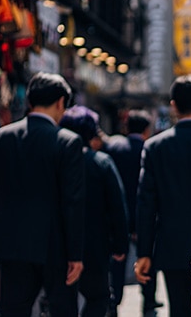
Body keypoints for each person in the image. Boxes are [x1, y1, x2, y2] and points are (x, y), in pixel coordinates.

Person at [0, 72, 85, 316]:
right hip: (55, 247)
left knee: (13, 310)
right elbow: (72, 202)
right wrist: (75, 254)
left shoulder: (0, 138)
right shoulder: (67, 142)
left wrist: (0, 233)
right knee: (62, 310)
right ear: (61, 102)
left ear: (30, 101)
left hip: (12, 243)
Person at [135, 75, 191, 317]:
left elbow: (146, 204)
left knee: (178, 309)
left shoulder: (155, 146)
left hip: (172, 245)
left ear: (173, 106)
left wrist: (143, 252)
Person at [59, 106, 129, 317]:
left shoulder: (56, 161)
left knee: (62, 298)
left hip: (58, 243)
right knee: (98, 298)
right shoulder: (101, 162)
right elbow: (117, 206)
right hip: (95, 245)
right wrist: (120, 244)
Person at [106, 109, 159, 316]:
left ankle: (114, 300)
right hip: (144, 212)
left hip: (117, 211)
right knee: (147, 257)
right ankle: (148, 300)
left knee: (118, 258)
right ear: (146, 130)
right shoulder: (150, 148)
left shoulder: (113, 148)